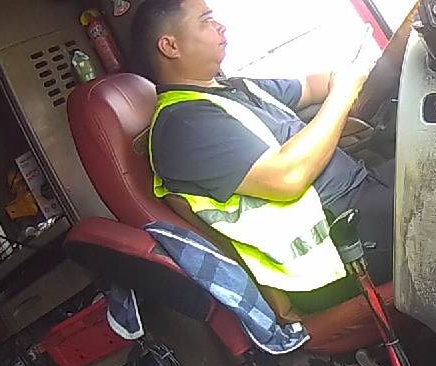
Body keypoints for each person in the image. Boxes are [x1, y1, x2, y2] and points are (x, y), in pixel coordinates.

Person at [132, 0, 393, 314]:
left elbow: (312, 86)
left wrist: (347, 77)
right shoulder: (184, 124)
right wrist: (342, 94)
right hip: (337, 248)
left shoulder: (232, 89)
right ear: (170, 46)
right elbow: (286, 178)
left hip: (360, 196)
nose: (220, 26)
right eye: (206, 20)